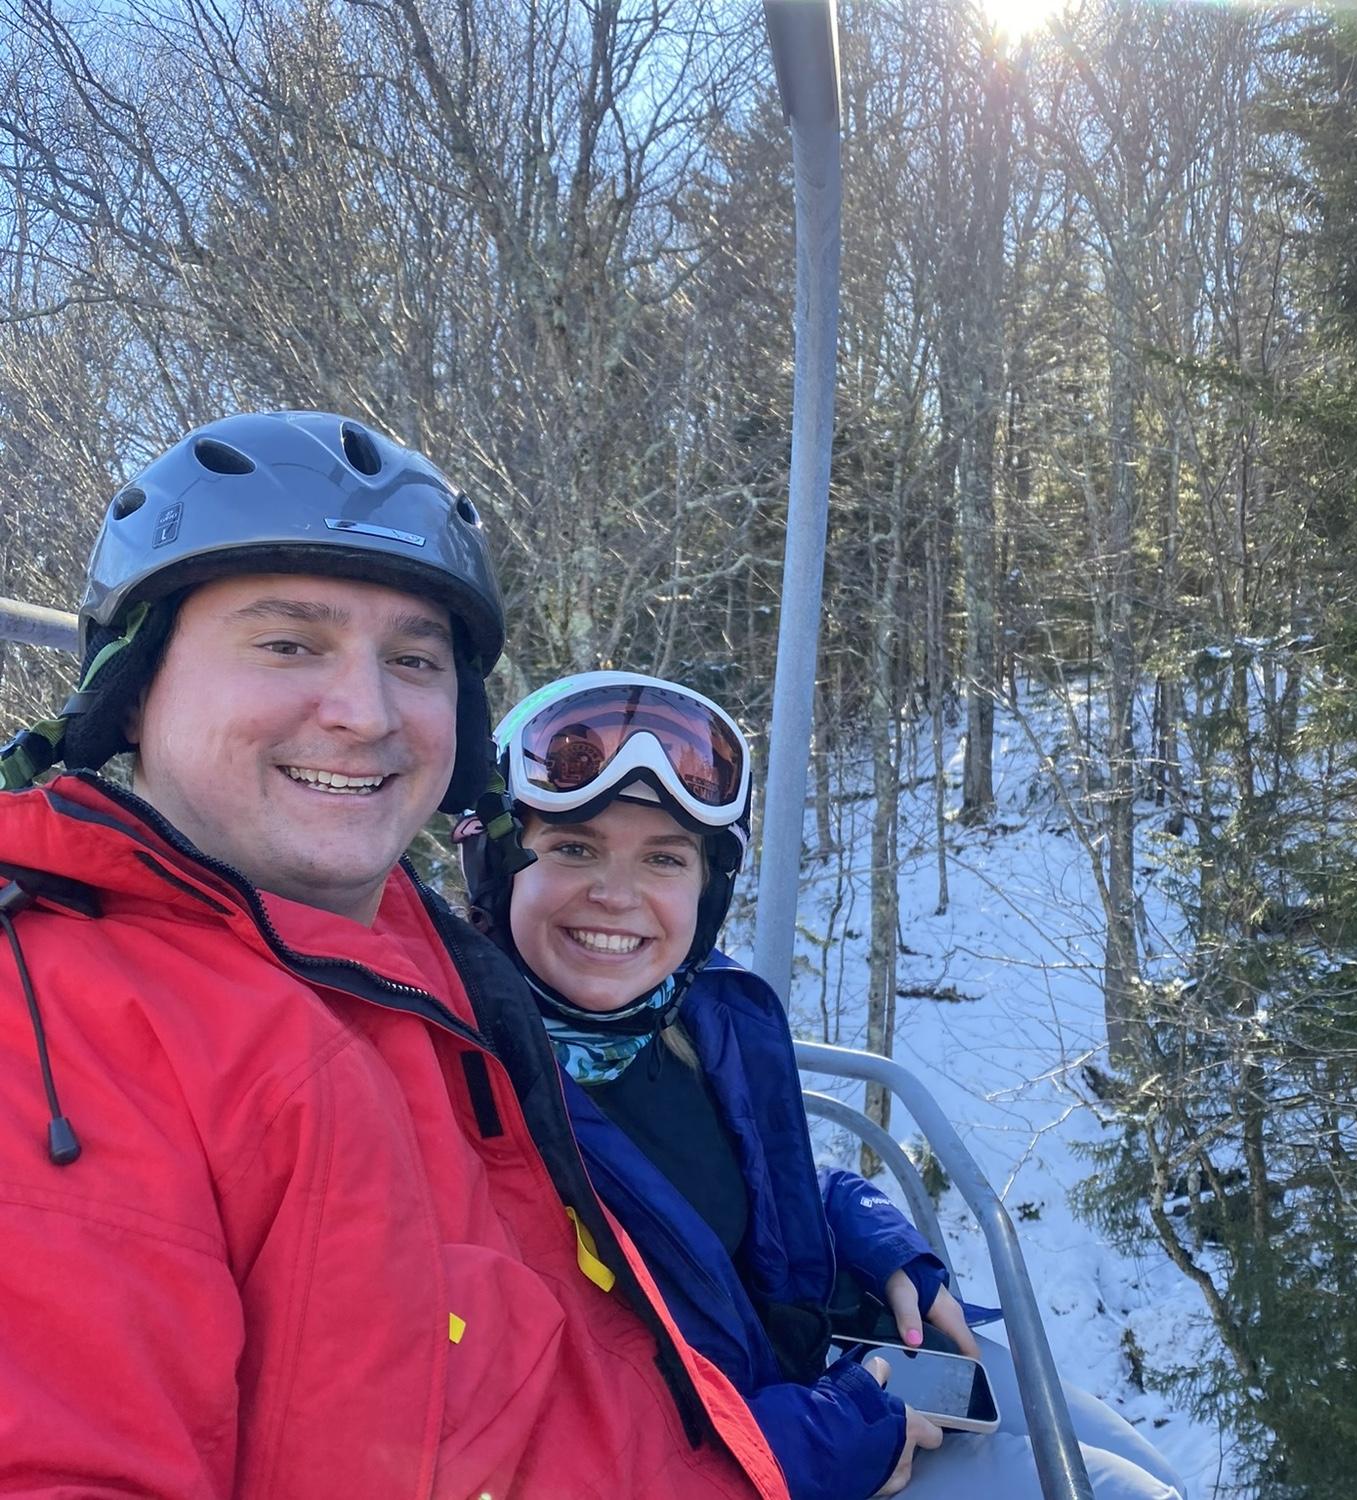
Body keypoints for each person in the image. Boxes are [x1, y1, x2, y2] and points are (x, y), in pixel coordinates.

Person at [0, 415, 787, 1500]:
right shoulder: (53, 1030)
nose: (366, 713)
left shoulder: (423, 973)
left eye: (413, 659)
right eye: (288, 643)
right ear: (133, 691)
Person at [461, 671, 1189, 1500]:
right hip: (754, 1460)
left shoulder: (695, 1024)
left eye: (664, 858)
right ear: (497, 863)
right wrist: (812, 1443)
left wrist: (876, 1238)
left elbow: (753, 1189)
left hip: (817, 1381)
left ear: (709, 891)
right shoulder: (474, 1097)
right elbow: (520, 1443)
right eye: (573, 847)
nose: (618, 895)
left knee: (1121, 1452)